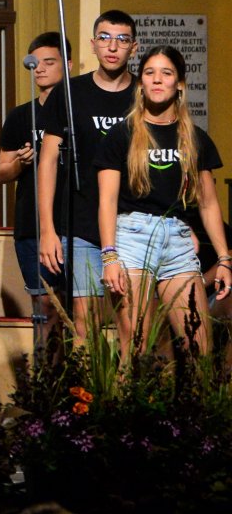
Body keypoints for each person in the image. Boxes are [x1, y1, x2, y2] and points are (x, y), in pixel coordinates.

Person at [98, 46, 230, 356]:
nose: (157, 80)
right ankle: (125, 406)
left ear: (180, 84)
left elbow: (209, 204)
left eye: (166, 73)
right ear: (140, 82)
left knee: (199, 346)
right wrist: (109, 256)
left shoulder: (195, 138)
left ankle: (196, 407)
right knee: (136, 346)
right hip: (131, 237)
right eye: (149, 72)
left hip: (179, 239)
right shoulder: (122, 135)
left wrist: (224, 259)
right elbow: (107, 201)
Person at [38, 10, 140, 332]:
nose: (112, 46)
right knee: (85, 322)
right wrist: (47, 228)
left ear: (133, 48)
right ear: (93, 44)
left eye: (122, 39)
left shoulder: (143, 94)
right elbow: (48, 161)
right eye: (105, 38)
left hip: (132, 224)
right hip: (81, 224)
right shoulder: (69, 93)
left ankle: (124, 385)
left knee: (132, 323)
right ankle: (88, 385)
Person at [0, 33, 67, 341]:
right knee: (43, 305)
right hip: (31, 225)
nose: (40, 69)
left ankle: (80, 383)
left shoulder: (75, 112)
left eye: (49, 62)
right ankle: (44, 384)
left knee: (77, 307)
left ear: (66, 64)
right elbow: (2, 172)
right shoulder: (19, 116)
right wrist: (21, 163)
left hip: (74, 222)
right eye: (35, 63)